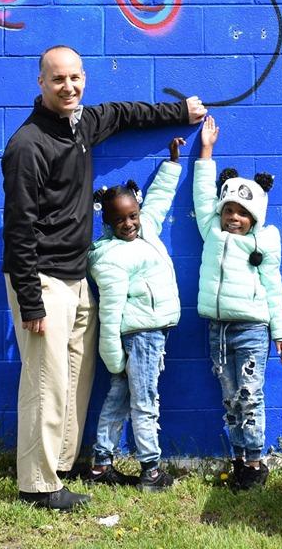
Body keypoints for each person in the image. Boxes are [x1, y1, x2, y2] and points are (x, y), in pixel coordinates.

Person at [2, 45, 206, 511]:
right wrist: (31, 300)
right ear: (41, 84)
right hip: (42, 279)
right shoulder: (28, 144)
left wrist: (180, 111)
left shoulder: (81, 125)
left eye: (75, 77)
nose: (68, 86)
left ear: (84, 78)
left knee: (77, 375)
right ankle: (36, 484)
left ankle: (63, 465)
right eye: (58, 80)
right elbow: (19, 226)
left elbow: (122, 114)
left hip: (76, 277)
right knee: (46, 381)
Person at [193, 115, 282, 491]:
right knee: (230, 398)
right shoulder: (212, 232)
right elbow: (203, 196)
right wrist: (206, 151)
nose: (234, 218)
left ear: (254, 218)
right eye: (229, 210)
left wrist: (279, 332)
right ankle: (238, 459)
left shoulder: (263, 243)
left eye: (243, 213)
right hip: (217, 329)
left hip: (251, 329)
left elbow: (274, 287)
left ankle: (255, 462)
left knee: (250, 396)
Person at [87, 136, 185, 491]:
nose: (129, 223)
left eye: (133, 215)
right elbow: (109, 313)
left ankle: (100, 465)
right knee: (145, 402)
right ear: (108, 222)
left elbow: (158, 201)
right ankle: (151, 471)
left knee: (119, 398)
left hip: (151, 334)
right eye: (120, 219)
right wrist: (113, 357)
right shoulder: (112, 257)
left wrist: (172, 164)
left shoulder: (148, 230)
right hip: (140, 337)